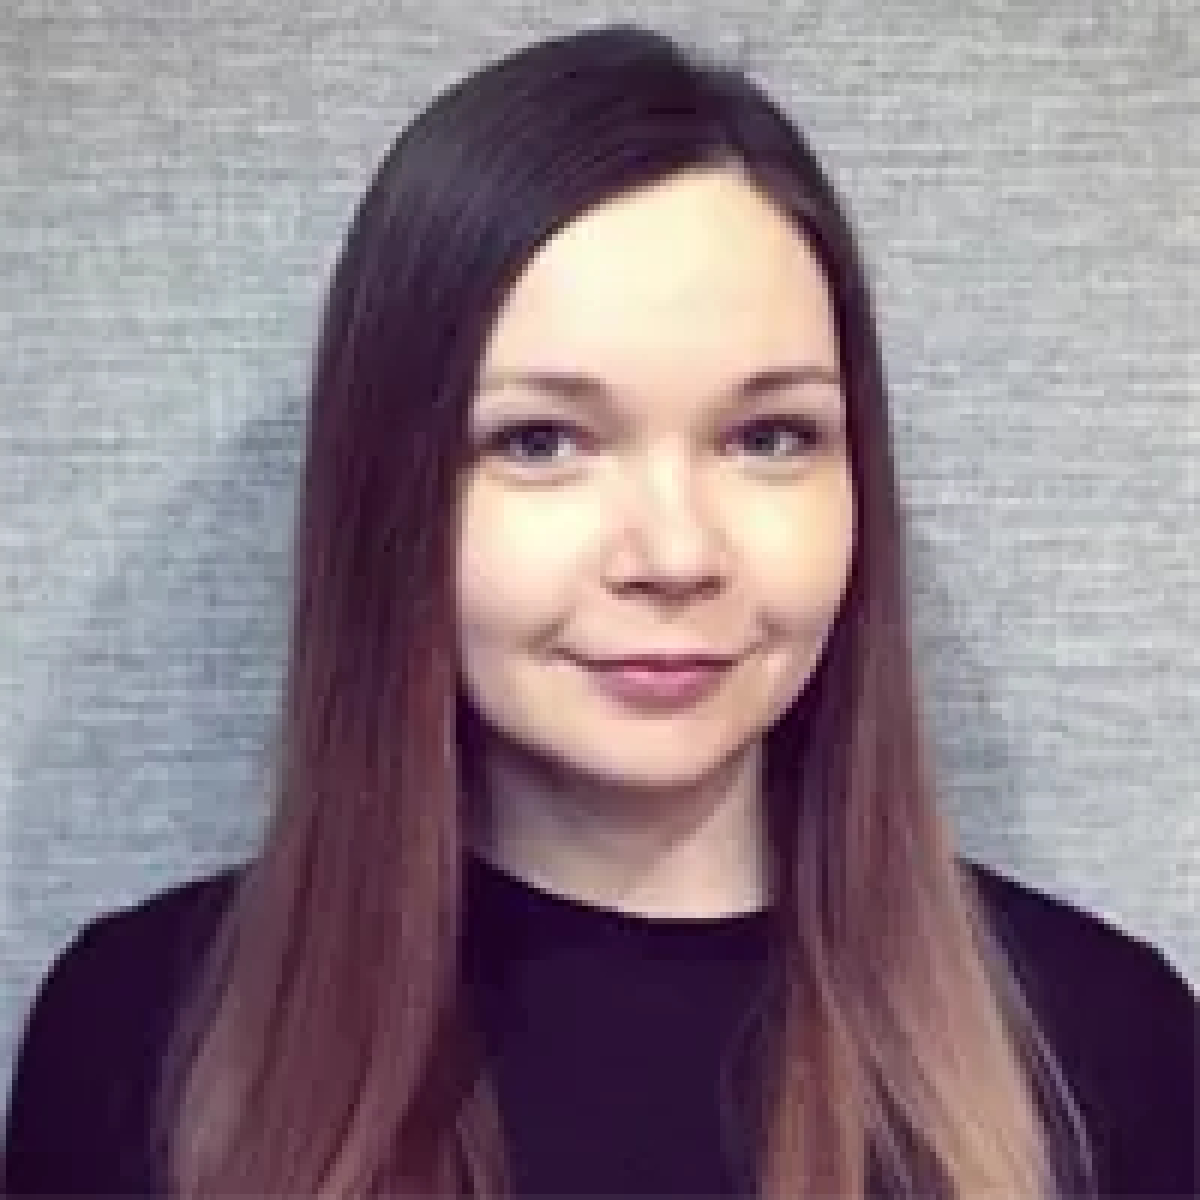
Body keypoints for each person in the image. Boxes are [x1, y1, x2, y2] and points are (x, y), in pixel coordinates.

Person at [1, 22, 1194, 1200]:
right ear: (389, 494)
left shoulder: (1112, 1052)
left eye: (768, 437)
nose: (675, 555)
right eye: (541, 441)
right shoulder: (140, 1042)